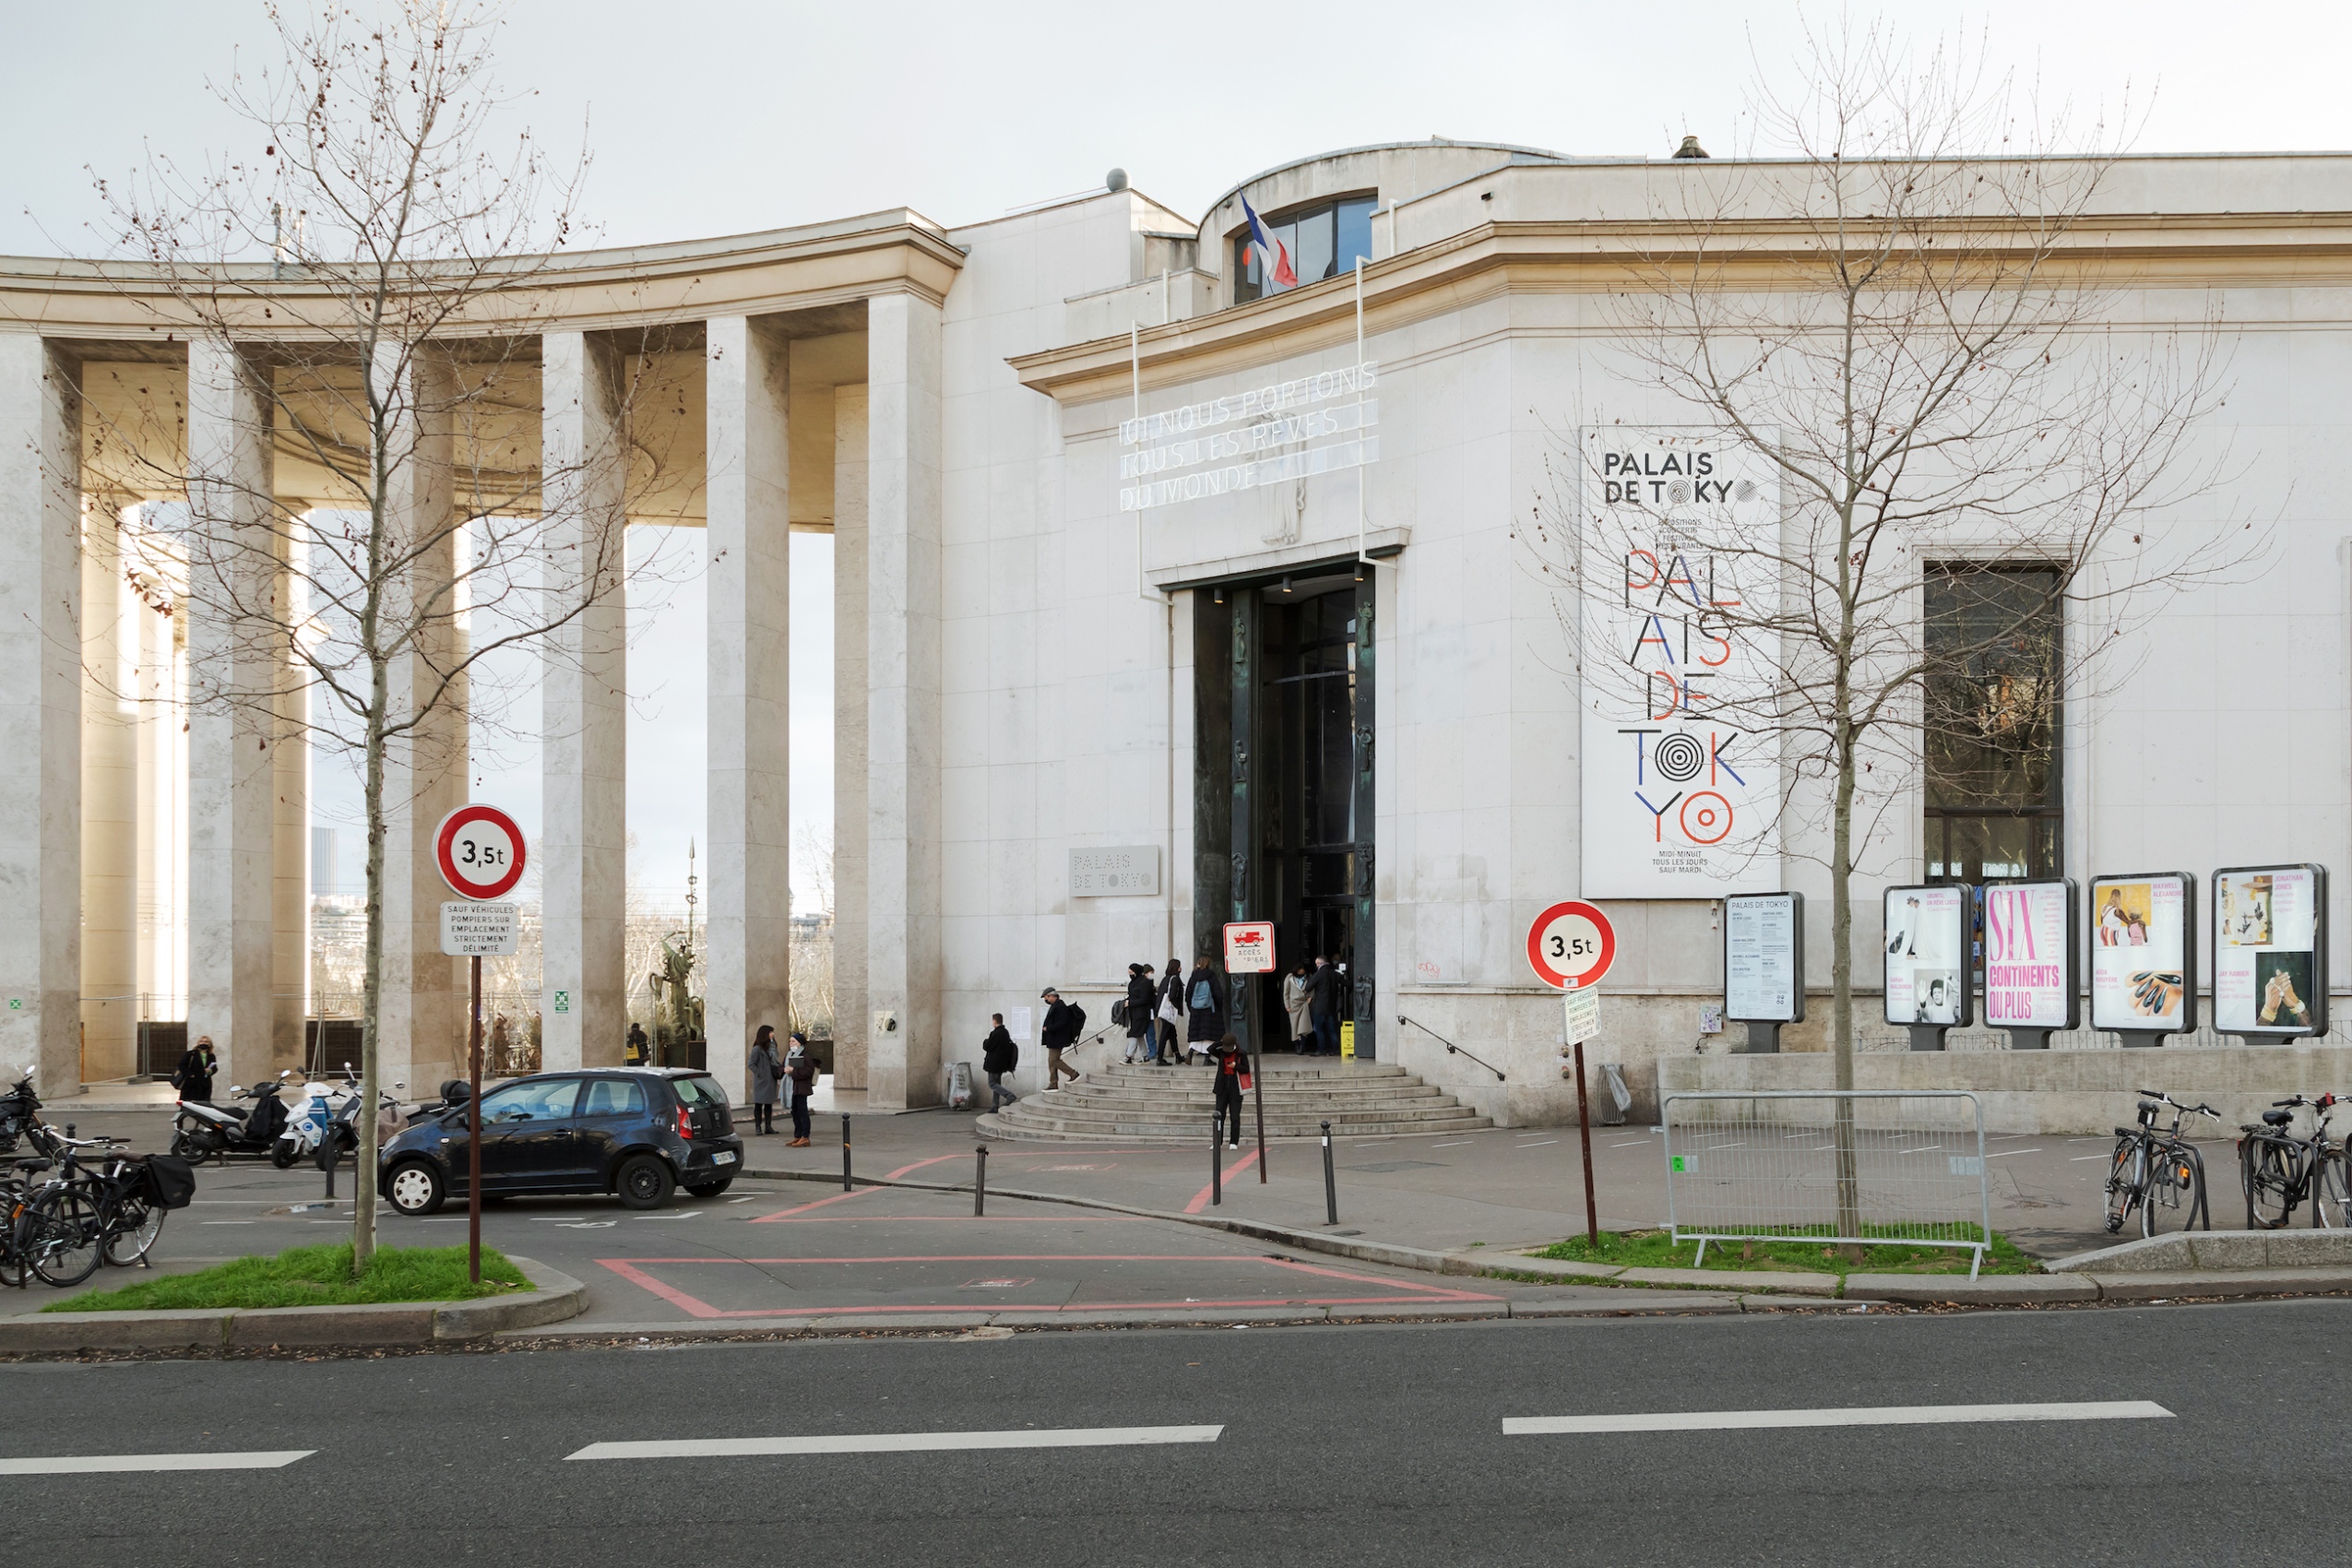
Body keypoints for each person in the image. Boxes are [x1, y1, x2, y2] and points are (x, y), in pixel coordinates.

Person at [1040, 987, 1086, 1089]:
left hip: (1057, 1039)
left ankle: (1073, 1074)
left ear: (1051, 996)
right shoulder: (1056, 1005)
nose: (1046, 1000)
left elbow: (1063, 1021)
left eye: (1046, 997)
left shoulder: (1060, 1006)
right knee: (1051, 1061)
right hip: (1054, 1039)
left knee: (1054, 1061)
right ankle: (1053, 1084)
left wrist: (1049, 1028)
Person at [1183, 957, 1225, 1063]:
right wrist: (1218, 1007)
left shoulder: (1193, 976)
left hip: (1196, 1009)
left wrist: (1191, 1007)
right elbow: (1218, 994)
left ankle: (1191, 1052)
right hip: (1209, 1009)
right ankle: (1207, 1058)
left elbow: (1188, 993)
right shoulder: (1211, 976)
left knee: (1196, 1034)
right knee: (1208, 1034)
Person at [1209, 1033, 1247, 1147]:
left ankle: (1234, 1141)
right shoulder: (1221, 1053)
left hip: (1235, 1086)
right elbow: (1210, 1049)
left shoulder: (1241, 1054)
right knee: (1219, 1115)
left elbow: (1246, 1069)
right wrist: (1221, 1042)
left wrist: (1236, 1066)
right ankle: (1217, 1141)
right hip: (1222, 1085)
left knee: (1235, 1116)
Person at [746, 1024, 783, 1135]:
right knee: (758, 1105)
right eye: (771, 1032)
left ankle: (768, 1126)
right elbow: (751, 1064)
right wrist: (760, 1073)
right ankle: (758, 1127)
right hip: (761, 1081)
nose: (773, 1034)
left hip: (771, 1079)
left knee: (768, 1104)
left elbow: (775, 1061)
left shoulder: (773, 1047)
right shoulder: (757, 1049)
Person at [785, 1031, 818, 1144]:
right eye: (790, 1041)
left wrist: (793, 1071)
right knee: (795, 1113)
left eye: (793, 1041)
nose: (791, 1043)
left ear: (799, 1043)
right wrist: (783, 1070)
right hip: (791, 1089)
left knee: (802, 1112)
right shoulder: (789, 1055)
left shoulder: (805, 1056)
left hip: (801, 1088)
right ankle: (797, 1135)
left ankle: (805, 1136)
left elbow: (808, 1071)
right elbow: (782, 1067)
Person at [982, 1014, 1019, 1111]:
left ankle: (1009, 1095)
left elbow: (988, 1046)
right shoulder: (1005, 1032)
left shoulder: (996, 1033)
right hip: (1001, 1064)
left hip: (994, 1063)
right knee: (997, 1084)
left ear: (995, 1021)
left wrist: (985, 1041)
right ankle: (995, 1106)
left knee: (992, 1084)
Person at [1123, 963, 1158, 1063]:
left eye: (1131, 973)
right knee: (1139, 1034)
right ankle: (1145, 1056)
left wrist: (1130, 1003)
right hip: (1134, 1012)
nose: (1130, 975)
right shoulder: (1133, 983)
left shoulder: (1145, 983)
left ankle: (1129, 1056)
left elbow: (1144, 999)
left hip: (1142, 1012)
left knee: (1135, 1034)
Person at [1309, 956, 1343, 1057]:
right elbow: (1347, 984)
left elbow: (1308, 987)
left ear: (1319, 964)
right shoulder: (1335, 974)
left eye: (1316, 964)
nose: (1316, 966)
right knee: (1332, 1030)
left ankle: (1321, 1050)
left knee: (1319, 1029)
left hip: (1319, 1007)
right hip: (1331, 1007)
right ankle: (1335, 1049)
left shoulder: (1318, 974)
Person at [1155, 959, 1185, 1065]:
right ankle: (1159, 1058)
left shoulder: (1165, 979)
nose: (1181, 969)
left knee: (1172, 1034)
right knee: (1165, 1033)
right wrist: (1177, 1008)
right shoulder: (1175, 979)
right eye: (1179, 966)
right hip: (1169, 1010)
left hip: (1162, 1009)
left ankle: (1178, 1056)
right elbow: (1172, 995)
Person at [172, 1035, 219, 1103]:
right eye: (201, 1041)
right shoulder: (191, 1054)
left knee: (204, 1104)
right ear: (198, 1043)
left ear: (210, 1044)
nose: (204, 1043)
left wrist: (210, 1071)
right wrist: (191, 1074)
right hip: (191, 1083)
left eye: (206, 1042)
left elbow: (214, 1068)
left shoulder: (211, 1056)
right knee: (189, 1103)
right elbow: (181, 1065)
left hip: (205, 1083)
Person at [1282, 963, 1313, 1053]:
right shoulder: (1290, 977)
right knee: (1294, 1027)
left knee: (1304, 1026)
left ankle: (1302, 1046)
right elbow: (1286, 993)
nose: (1301, 971)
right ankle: (1297, 1046)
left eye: (1302, 969)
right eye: (1299, 969)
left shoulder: (1309, 977)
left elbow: (1313, 988)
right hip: (1293, 1005)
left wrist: (1310, 997)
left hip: (1304, 1004)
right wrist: (1287, 1005)